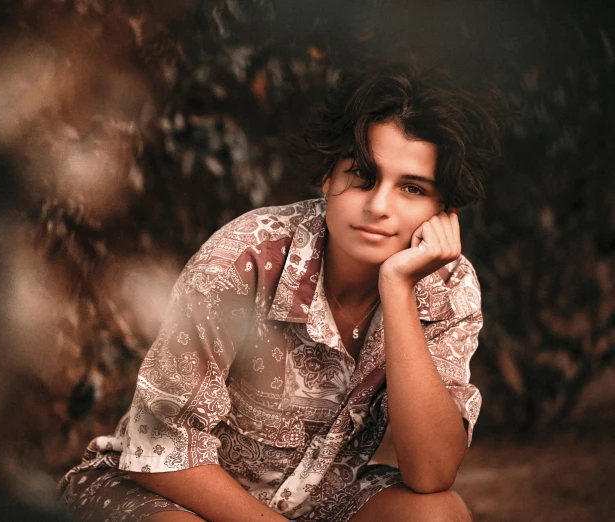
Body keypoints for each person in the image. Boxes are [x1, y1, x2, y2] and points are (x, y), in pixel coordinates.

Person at [58, 61, 504, 522]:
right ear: (328, 176)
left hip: (316, 504)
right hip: (174, 494)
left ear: (443, 210)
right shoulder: (245, 257)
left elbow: (431, 472)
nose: (378, 207)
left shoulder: (446, 283)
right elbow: (159, 450)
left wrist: (397, 289)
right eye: (363, 176)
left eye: (411, 188)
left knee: (437, 515)